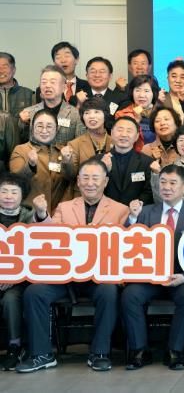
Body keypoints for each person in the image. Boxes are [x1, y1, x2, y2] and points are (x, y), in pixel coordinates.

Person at [18, 158, 128, 373]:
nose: (90, 183)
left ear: (105, 182)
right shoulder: (65, 207)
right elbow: (50, 237)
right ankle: (42, 354)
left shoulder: (121, 210)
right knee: (34, 293)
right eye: (85, 178)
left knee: (109, 291)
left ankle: (100, 353)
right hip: (65, 277)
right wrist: (41, 215)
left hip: (98, 277)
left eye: (95, 178)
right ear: (78, 181)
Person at [122, 164, 184, 371]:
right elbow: (125, 242)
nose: (166, 187)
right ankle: (139, 350)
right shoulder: (145, 212)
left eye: (172, 183)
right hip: (149, 278)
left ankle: (175, 351)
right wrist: (132, 218)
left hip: (181, 277)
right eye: (162, 182)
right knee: (130, 295)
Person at [10, 109, 75, 213]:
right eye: (39, 126)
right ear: (32, 128)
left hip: (58, 214)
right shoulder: (21, 150)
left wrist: (67, 161)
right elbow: (16, 182)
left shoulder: (63, 151)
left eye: (49, 126)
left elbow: (72, 179)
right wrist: (30, 165)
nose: (44, 131)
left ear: (56, 129)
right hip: (30, 214)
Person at [0, 173, 34, 371]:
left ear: (22, 195)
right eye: (4, 191)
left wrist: (12, 277)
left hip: (20, 280)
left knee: (11, 299)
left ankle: (15, 346)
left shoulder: (31, 218)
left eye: (14, 192)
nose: (8, 196)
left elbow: (33, 254)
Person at [19, 65, 85, 145]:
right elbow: (21, 142)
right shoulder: (28, 113)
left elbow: (80, 145)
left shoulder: (75, 114)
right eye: (44, 82)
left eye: (53, 82)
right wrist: (23, 124)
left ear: (64, 87)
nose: (47, 85)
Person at [103, 116, 154, 206]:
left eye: (129, 131)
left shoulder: (147, 162)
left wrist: (138, 204)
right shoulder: (99, 161)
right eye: (120, 130)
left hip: (137, 212)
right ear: (111, 133)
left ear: (137, 136)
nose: (124, 134)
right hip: (105, 211)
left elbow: (149, 191)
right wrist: (104, 170)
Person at [67, 97, 112, 195]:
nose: (92, 116)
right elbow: (70, 175)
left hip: (111, 195)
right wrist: (66, 160)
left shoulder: (115, 142)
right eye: (87, 113)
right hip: (83, 195)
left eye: (96, 112)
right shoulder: (74, 144)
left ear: (105, 115)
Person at [0, 52, 34, 167]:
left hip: (22, 152)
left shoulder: (29, 94)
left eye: (4, 66)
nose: (1, 71)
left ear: (13, 70)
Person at [114, 74, 159, 151]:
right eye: (137, 90)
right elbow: (122, 144)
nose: (141, 95)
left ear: (153, 93)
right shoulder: (122, 115)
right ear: (132, 92)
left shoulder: (160, 114)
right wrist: (136, 122)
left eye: (146, 91)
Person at [45, 41, 89, 107]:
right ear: (54, 62)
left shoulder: (88, 86)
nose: (63, 60)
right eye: (58, 57)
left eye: (67, 56)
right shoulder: (45, 89)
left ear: (76, 59)